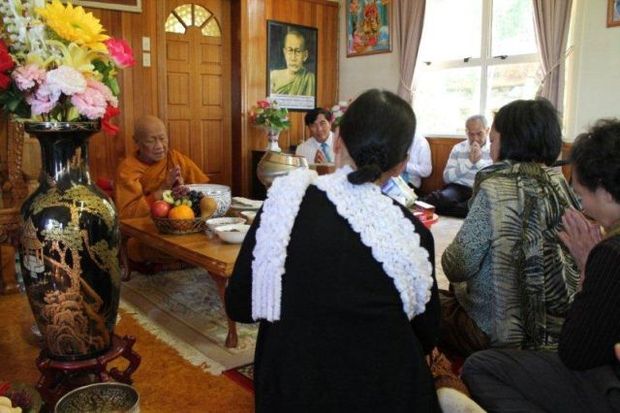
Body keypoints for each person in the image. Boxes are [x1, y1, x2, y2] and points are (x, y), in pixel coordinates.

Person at [226, 89, 441, 412]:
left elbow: (240, 305)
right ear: (401, 165)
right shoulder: (412, 235)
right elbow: (427, 335)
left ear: (337, 140)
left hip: (292, 391)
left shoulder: (284, 203)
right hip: (383, 395)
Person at [462, 119, 620, 412]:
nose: (582, 207)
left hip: (608, 384)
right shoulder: (557, 183)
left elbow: (575, 352)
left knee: (479, 367)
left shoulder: (610, 253)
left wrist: (588, 267)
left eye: (583, 195)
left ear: (606, 191)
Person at [439, 98, 580, 357]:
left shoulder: (496, 188)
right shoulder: (560, 184)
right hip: (556, 330)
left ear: (511, 142)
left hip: (497, 334)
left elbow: (457, 265)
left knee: (420, 300)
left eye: (492, 140)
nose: (490, 148)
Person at [114, 115, 209, 265]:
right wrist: (163, 189)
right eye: (151, 141)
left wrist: (185, 190)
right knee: (145, 246)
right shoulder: (127, 170)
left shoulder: (176, 159)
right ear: (137, 142)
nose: (159, 146)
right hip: (147, 229)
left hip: (182, 224)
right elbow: (127, 214)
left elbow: (204, 194)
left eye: (162, 138)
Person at [420, 115, 492, 217]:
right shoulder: (458, 148)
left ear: (487, 130)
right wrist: (469, 162)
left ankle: (443, 209)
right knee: (441, 199)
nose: (475, 138)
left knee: (480, 208)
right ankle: (452, 208)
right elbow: (447, 178)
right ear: (466, 132)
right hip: (458, 188)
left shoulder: (493, 149)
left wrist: (479, 161)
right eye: (471, 134)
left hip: (481, 189)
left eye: (479, 133)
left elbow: (492, 177)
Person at [270, 30, 315, 96]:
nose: (293, 58)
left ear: (305, 55)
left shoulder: (310, 78)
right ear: (285, 53)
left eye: (298, 51)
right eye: (290, 51)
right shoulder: (274, 76)